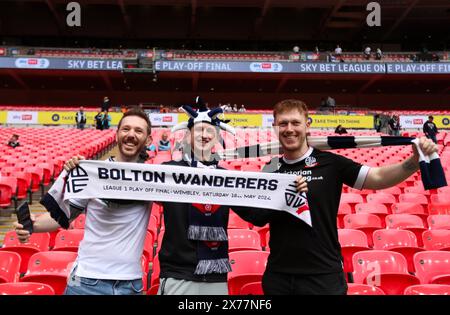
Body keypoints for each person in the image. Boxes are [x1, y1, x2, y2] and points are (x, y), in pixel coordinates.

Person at [234, 99, 438, 295]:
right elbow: (258, 215)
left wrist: (413, 162)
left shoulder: (331, 163)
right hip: (279, 276)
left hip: (324, 276)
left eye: (295, 122)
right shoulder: (269, 169)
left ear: (307, 125)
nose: (289, 128)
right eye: (283, 123)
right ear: (275, 127)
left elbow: (377, 177)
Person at [159, 97, 306, 295]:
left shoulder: (227, 178)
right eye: (199, 130)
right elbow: (131, 192)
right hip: (178, 275)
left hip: (216, 277)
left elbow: (256, 216)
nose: (204, 134)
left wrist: (286, 191)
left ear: (216, 137)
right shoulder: (167, 172)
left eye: (210, 130)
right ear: (187, 136)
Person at [14, 107, 153, 295]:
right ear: (116, 134)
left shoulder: (154, 179)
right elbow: (64, 216)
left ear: (148, 139)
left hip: (130, 284)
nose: (131, 134)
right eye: (125, 129)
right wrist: (32, 225)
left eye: (138, 131)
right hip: (87, 282)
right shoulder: (91, 174)